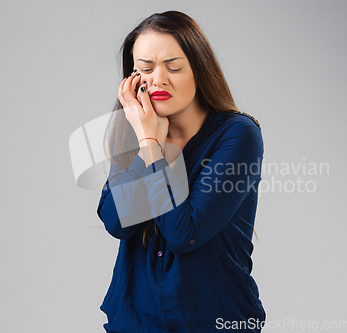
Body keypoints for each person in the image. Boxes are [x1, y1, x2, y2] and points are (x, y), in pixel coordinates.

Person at [96, 10, 266, 333]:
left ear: (199, 70)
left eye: (173, 67)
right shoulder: (135, 131)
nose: (157, 79)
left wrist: (152, 147)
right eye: (144, 69)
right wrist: (146, 139)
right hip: (137, 322)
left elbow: (182, 232)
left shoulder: (239, 135)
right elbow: (116, 220)